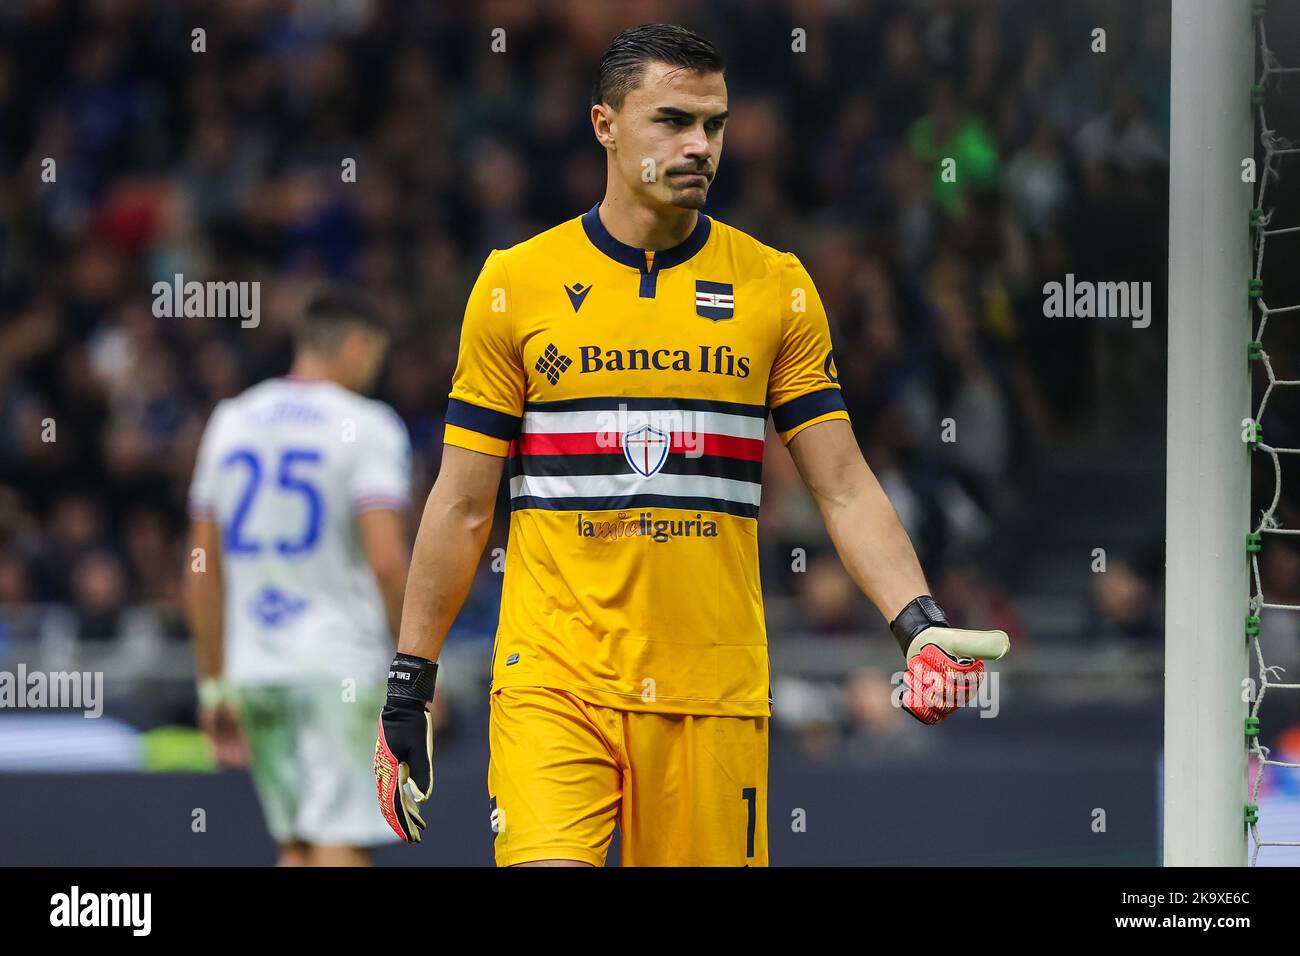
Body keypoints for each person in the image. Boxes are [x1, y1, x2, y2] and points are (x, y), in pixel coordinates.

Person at [374, 23, 1008, 867]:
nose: (700, 145)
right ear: (604, 124)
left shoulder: (775, 286)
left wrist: (919, 625)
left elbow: (845, 486)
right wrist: (409, 686)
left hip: (713, 685)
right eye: (672, 121)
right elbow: (460, 505)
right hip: (554, 680)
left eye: (714, 124)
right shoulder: (513, 284)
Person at [185, 286, 412, 866]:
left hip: (256, 668)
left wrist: (214, 681)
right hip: (338, 665)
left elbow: (200, 567)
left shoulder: (230, 421)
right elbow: (387, 559)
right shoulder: (368, 425)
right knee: (341, 840)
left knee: (298, 844)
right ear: (359, 346)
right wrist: (417, 668)